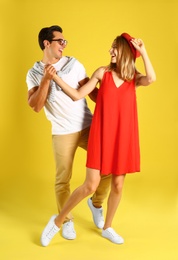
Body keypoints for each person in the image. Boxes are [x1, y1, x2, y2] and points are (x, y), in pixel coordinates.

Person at [40, 32, 156, 246]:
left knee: (118, 185)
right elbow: (77, 95)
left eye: (115, 47)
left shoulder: (133, 78)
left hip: (124, 137)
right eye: (111, 47)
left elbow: (151, 78)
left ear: (126, 52)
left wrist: (143, 51)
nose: (111, 51)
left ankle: (108, 227)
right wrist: (55, 77)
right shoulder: (103, 73)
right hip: (101, 135)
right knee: (90, 186)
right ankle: (56, 222)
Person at [26, 25, 111, 241]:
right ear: (47, 43)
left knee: (109, 167)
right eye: (60, 41)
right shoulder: (33, 73)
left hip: (87, 125)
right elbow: (35, 106)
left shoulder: (74, 64)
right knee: (62, 179)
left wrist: (115, 103)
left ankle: (96, 203)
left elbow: (90, 91)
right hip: (62, 132)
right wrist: (46, 79)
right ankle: (67, 221)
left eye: (65, 42)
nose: (64, 45)